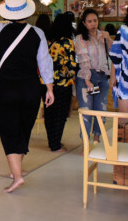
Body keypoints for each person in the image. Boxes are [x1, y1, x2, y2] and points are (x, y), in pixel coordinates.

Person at [0, 0, 54, 193]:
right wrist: (49, 88)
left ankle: (18, 177)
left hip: (5, 88)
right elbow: (45, 63)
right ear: (27, 12)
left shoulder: (0, 29)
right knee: (23, 129)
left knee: (9, 131)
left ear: (7, 12)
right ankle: (16, 170)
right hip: (30, 88)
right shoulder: (38, 33)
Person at [74, 9, 112, 142]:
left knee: (101, 110)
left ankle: (97, 138)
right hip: (86, 77)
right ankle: (85, 142)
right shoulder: (80, 38)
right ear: (84, 23)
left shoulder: (103, 35)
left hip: (103, 77)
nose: (93, 24)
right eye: (89, 21)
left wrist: (109, 39)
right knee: (86, 111)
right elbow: (83, 59)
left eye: (95, 20)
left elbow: (114, 53)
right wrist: (87, 79)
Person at [42, 13, 77, 152]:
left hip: (46, 83)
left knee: (49, 114)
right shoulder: (67, 42)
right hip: (62, 84)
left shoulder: (49, 40)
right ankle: (55, 145)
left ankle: (52, 142)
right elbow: (71, 64)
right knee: (60, 115)